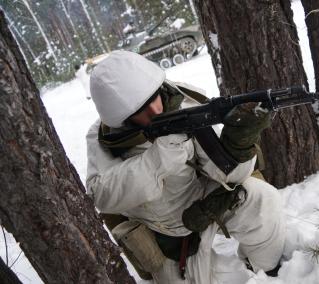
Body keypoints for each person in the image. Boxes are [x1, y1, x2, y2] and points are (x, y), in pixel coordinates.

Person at [85, 50, 285, 283]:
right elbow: (102, 195)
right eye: (140, 111)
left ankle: (269, 273)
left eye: (153, 98)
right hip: (165, 234)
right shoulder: (102, 138)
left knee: (263, 199)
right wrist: (158, 160)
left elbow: (227, 173)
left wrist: (238, 145)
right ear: (121, 118)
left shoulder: (184, 105)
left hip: (206, 201)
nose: (155, 111)